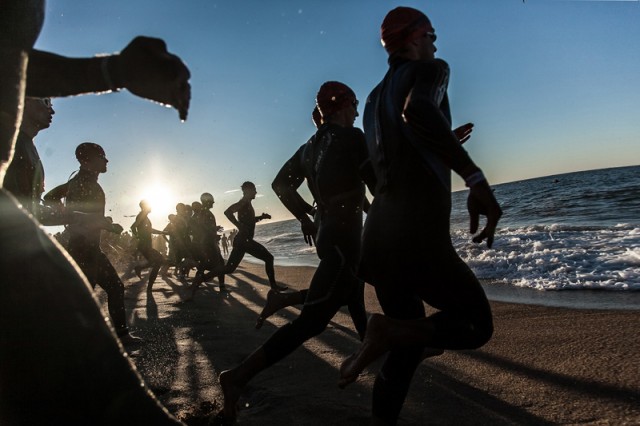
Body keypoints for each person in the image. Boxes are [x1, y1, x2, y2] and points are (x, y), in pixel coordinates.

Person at [0, 2, 189, 422]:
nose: (51, 106)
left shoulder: (33, 154)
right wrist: (74, 219)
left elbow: (15, 62)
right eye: (44, 100)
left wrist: (116, 72)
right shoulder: (63, 173)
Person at [337, 7, 503, 425]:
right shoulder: (431, 70)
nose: (435, 43)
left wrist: (439, 141)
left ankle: (387, 358)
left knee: (407, 351)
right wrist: (474, 177)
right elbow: (418, 113)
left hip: (378, 241)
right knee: (475, 325)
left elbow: (369, 169)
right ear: (412, 38)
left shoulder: (374, 99)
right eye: (431, 33)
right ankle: (385, 331)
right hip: (417, 238)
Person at [216, 82, 376, 422]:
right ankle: (236, 377)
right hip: (344, 239)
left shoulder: (309, 148)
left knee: (354, 297)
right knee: (311, 323)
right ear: (341, 105)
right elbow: (378, 185)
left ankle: (377, 367)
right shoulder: (352, 137)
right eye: (355, 104)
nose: (358, 111)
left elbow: (280, 184)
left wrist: (308, 215)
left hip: (331, 235)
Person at [60, 142, 140, 344]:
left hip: (86, 247)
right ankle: (119, 336)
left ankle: (77, 337)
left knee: (88, 294)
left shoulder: (81, 182)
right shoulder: (84, 183)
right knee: (112, 288)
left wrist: (103, 224)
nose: (106, 160)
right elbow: (80, 218)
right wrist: (101, 224)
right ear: (87, 160)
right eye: (102, 156)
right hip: (84, 248)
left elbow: (52, 197)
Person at [189, 182, 285, 296]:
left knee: (229, 268)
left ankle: (201, 279)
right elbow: (228, 212)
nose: (256, 192)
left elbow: (248, 221)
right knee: (269, 258)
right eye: (254, 189)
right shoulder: (243, 202)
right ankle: (274, 287)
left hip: (241, 241)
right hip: (244, 240)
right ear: (247, 190)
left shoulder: (247, 203)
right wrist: (239, 226)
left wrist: (261, 217)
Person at [2, 97, 53, 216]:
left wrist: (73, 216)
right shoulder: (6, 142)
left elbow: (30, 209)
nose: (52, 111)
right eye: (46, 102)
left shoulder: (29, 147)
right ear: (25, 100)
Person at [130, 199, 167, 291]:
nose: (151, 207)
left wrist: (162, 232)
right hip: (144, 245)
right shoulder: (142, 215)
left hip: (146, 244)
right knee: (159, 261)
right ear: (144, 206)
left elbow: (149, 230)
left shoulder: (144, 216)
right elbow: (133, 227)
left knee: (154, 261)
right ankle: (149, 287)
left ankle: (139, 268)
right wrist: (139, 236)